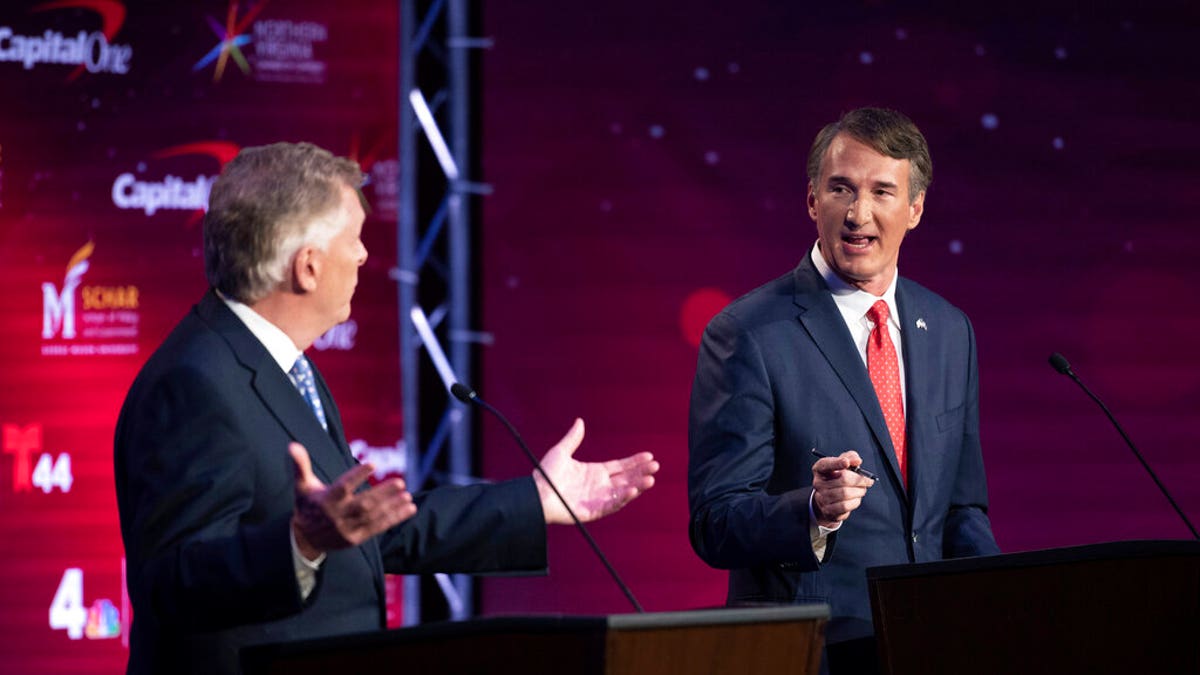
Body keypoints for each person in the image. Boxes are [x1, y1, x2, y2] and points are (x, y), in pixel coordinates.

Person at [114, 142, 659, 675]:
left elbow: (374, 527)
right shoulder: (194, 382)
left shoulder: (277, 362)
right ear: (307, 267)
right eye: (354, 238)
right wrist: (300, 544)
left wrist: (534, 501)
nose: (363, 255)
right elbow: (170, 582)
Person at [687, 107, 1000, 673]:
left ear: (915, 208)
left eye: (882, 191)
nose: (859, 214)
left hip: (925, 646)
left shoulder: (950, 330)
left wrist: (1005, 609)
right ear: (812, 201)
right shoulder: (748, 334)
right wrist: (811, 511)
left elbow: (960, 509)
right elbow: (715, 524)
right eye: (841, 189)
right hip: (808, 653)